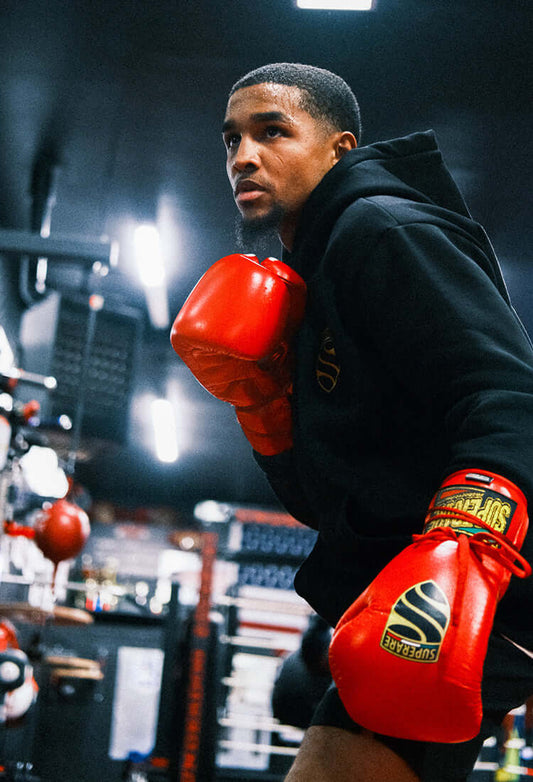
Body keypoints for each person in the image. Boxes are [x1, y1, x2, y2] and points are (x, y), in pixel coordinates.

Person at [171, 63, 533, 781]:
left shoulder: (379, 228)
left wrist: (467, 548)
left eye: (272, 131)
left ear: (338, 148)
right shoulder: (314, 275)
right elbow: (328, 502)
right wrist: (268, 413)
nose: (243, 156)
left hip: (487, 588)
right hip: (405, 583)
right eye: (232, 139)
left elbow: (505, 394)